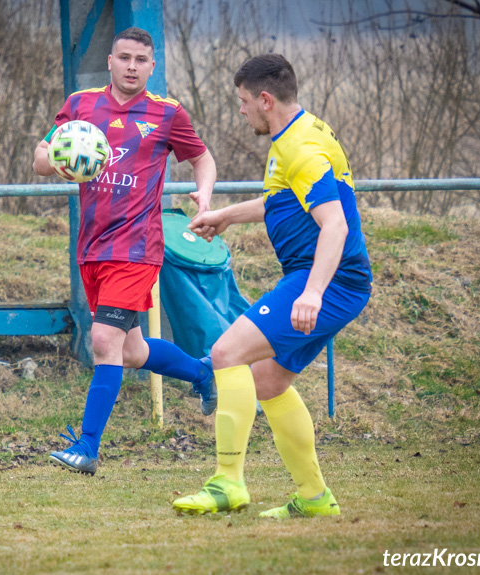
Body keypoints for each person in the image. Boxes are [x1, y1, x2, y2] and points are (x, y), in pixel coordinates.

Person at [173, 54, 371, 518]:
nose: (240, 111)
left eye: (243, 102)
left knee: (225, 354)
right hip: (337, 278)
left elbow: (335, 226)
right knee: (267, 382)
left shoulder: (300, 148)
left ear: (265, 100)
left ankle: (227, 484)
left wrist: (313, 292)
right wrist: (224, 216)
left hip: (327, 276)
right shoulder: (300, 134)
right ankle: (315, 498)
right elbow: (281, 201)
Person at [32, 27, 218, 476]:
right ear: (111, 62)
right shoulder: (81, 104)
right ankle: (202, 373)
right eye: (124, 57)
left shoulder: (167, 112)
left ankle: (87, 448)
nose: (132, 66)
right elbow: (42, 154)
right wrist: (59, 161)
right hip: (93, 247)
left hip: (137, 248)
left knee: (104, 341)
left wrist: (205, 195)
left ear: (152, 67)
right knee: (131, 351)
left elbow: (203, 157)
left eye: (141, 59)